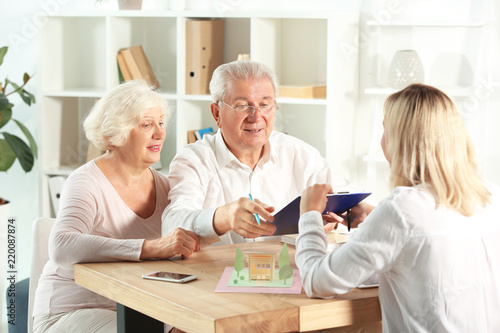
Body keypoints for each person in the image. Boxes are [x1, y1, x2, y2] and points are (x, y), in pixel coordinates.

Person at [296, 84, 500, 332]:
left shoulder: (402, 210)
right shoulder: (491, 196)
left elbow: (317, 282)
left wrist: (308, 215)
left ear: (400, 140)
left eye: (385, 130)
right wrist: (374, 221)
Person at [33, 81, 200, 333]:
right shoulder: (86, 182)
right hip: (72, 310)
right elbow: (61, 246)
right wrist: (150, 248)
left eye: (161, 122)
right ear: (118, 131)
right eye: (146, 124)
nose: (160, 133)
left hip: (138, 308)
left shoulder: (165, 187)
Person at [162, 60, 373, 245]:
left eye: (265, 104)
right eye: (243, 105)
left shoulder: (299, 154)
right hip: (217, 275)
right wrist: (223, 217)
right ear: (217, 113)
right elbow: (172, 223)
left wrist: (351, 214)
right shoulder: (193, 160)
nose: (256, 116)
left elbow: (346, 197)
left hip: (288, 271)